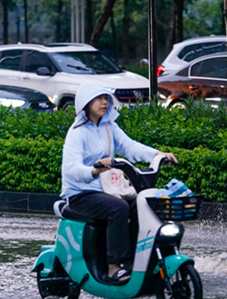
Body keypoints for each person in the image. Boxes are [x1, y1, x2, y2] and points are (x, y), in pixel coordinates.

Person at [61, 82, 177, 284]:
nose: (104, 102)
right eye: (98, 98)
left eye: (106, 98)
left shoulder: (108, 126)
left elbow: (129, 146)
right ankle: (114, 267)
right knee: (119, 208)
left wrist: (158, 154)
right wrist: (94, 170)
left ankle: (134, 259)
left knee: (140, 205)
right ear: (86, 103)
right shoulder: (77, 132)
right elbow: (71, 168)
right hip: (81, 193)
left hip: (106, 189)